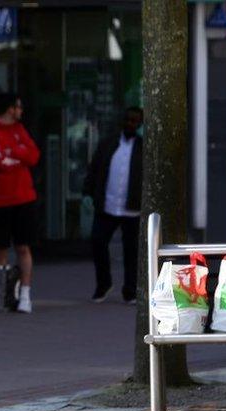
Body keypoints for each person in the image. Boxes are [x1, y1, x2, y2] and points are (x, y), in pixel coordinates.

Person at [0, 92, 40, 313]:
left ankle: (25, 295)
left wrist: (13, 152)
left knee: (23, 247)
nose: (21, 111)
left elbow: (33, 156)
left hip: (23, 197)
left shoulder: (19, 130)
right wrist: (19, 155)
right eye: (18, 107)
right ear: (9, 109)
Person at [83, 107, 144, 304]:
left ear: (140, 124)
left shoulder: (144, 147)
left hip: (132, 209)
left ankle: (130, 290)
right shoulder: (108, 144)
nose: (130, 124)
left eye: (135, 121)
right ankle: (103, 284)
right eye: (128, 120)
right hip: (108, 205)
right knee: (98, 241)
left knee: (131, 251)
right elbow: (94, 169)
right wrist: (87, 193)